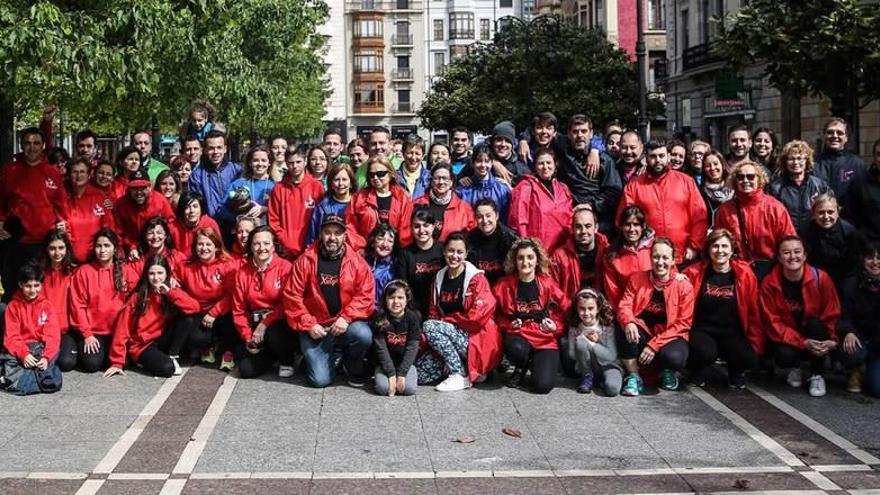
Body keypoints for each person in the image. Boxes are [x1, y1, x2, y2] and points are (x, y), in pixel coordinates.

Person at [283, 215, 375, 387]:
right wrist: (309, 324)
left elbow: (366, 295)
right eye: (327, 232)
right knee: (320, 381)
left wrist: (346, 317)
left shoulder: (357, 262)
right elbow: (292, 297)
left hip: (343, 326)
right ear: (320, 234)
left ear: (345, 235)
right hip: (315, 328)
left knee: (363, 335)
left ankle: (348, 361)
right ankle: (315, 358)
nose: (332, 237)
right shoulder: (305, 260)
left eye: (337, 233)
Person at [416, 233, 500, 391]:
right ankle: (462, 366)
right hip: (447, 339)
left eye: (459, 252)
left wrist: (449, 320)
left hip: (474, 340)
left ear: (466, 253)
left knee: (430, 326)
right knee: (419, 375)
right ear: (444, 252)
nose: (454, 256)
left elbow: (476, 319)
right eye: (450, 251)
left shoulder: (477, 279)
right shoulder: (438, 279)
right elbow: (434, 314)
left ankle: (458, 374)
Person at [761, 236, 843, 397]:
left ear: (805, 255)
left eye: (797, 252)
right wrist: (802, 342)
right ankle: (795, 367)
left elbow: (832, 312)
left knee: (816, 325)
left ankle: (816, 374)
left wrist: (832, 340)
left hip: (815, 332)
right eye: (786, 252)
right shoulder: (769, 283)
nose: (792, 257)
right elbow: (772, 322)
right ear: (778, 257)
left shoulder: (821, 278)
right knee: (784, 356)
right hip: (789, 337)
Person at [683, 229, 763, 388]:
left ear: (732, 250)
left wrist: (756, 342)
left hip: (733, 331)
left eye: (725, 246)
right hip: (702, 330)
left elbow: (753, 309)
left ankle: (735, 371)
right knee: (704, 352)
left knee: (748, 357)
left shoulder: (744, 273)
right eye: (715, 246)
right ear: (708, 249)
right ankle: (698, 370)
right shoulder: (694, 272)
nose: (720, 251)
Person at [617, 239, 694, 396]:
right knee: (625, 330)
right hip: (644, 330)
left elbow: (683, 324)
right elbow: (624, 305)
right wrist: (629, 321)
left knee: (673, 357)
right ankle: (633, 375)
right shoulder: (637, 278)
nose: (660, 262)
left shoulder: (684, 286)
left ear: (673, 260)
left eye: (665, 257)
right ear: (650, 258)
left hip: (670, 335)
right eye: (656, 257)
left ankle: (668, 371)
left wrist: (654, 345)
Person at [104, 255, 201, 377]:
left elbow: (195, 307)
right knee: (167, 369)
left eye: (160, 273)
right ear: (146, 275)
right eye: (152, 274)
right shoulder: (137, 297)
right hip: (141, 346)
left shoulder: (170, 291)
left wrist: (170, 293)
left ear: (167, 274)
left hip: (161, 339)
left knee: (188, 318)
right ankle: (141, 362)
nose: (156, 278)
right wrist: (117, 363)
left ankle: (172, 355)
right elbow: (123, 330)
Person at [0, 127, 69, 301]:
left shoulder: (52, 172)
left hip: (42, 243)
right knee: (12, 289)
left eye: (36, 143)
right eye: (28, 143)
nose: (32, 147)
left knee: (40, 291)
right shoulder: (10, 170)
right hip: (15, 241)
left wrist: (62, 222)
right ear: (21, 145)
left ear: (43, 145)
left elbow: (60, 203)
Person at [494, 238, 568, 394]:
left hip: (545, 339)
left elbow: (566, 308)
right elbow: (495, 316)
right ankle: (522, 365)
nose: (525, 262)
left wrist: (556, 326)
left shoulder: (547, 284)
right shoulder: (503, 286)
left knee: (542, 386)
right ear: (515, 260)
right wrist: (508, 325)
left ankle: (536, 365)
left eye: (530, 257)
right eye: (520, 257)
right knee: (514, 347)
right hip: (519, 337)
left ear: (537, 260)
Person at [617, 140, 708, 264]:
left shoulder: (686, 182)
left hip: (683, 254)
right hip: (649, 257)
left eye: (661, 156)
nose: (658, 160)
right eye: (653, 156)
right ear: (646, 158)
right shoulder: (634, 186)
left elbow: (699, 216)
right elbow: (624, 220)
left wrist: (694, 246)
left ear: (668, 156)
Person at [231, 226, 298, 379]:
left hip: (279, 323)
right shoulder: (242, 272)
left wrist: (265, 323)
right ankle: (269, 355)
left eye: (266, 243)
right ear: (251, 246)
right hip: (254, 326)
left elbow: (288, 303)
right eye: (256, 244)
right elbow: (238, 310)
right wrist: (247, 337)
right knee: (246, 370)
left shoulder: (286, 268)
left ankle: (286, 359)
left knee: (275, 335)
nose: (262, 248)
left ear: (274, 245)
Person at [714, 161, 796, 279]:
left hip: (771, 272)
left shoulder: (775, 208)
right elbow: (718, 242)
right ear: (735, 181)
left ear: (759, 179)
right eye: (740, 177)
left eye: (751, 176)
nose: (746, 180)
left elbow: (789, 242)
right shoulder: (725, 210)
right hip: (736, 273)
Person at [68, 229, 136, 372]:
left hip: (118, 332)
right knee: (92, 365)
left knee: (128, 363)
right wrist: (87, 335)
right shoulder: (84, 271)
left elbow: (136, 301)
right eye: (99, 246)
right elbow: (77, 306)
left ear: (115, 248)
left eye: (107, 246)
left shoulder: (126, 271)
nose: (102, 250)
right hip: (93, 332)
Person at [176, 228, 237, 371]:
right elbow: (176, 282)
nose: (204, 248)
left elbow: (232, 294)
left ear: (216, 247)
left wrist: (214, 313)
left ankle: (228, 351)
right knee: (196, 338)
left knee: (232, 322)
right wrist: (173, 281)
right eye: (200, 244)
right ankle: (208, 346)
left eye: (208, 244)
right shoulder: (186, 266)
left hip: (222, 311)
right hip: (198, 312)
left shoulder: (227, 265)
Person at [1, 263, 62, 395]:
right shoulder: (13, 306)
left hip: (40, 348)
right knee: (14, 367)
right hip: (20, 348)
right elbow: (11, 337)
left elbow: (53, 336)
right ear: (20, 285)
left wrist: (46, 357)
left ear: (41, 285)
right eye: (28, 286)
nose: (33, 290)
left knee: (48, 373)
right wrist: (24, 354)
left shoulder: (47, 306)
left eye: (36, 285)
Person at [803, 193, 862, 322]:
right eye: (821, 212)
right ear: (813, 214)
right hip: (818, 276)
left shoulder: (849, 231)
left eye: (830, 212)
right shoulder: (808, 230)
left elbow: (854, 261)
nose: (826, 217)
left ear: (837, 212)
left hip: (845, 275)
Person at [509, 148, 573, 253]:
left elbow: (570, 218)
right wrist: (526, 246)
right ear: (535, 166)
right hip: (538, 250)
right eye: (540, 163)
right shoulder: (526, 187)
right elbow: (519, 220)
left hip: (562, 249)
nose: (545, 167)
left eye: (548, 163)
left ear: (555, 165)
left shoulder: (563, 188)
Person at [268, 147, 325, 260]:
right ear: (286, 163)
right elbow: (273, 219)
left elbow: (321, 218)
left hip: (311, 249)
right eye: (290, 163)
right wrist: (284, 240)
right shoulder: (278, 189)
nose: (295, 166)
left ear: (305, 161)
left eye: (298, 162)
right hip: (286, 251)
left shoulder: (316, 187)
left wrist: (314, 243)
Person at [347, 157, 413, 248]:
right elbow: (350, 226)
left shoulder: (402, 198)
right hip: (366, 252)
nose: (375, 178)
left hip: (394, 252)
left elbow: (406, 229)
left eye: (380, 174)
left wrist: (402, 251)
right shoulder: (359, 197)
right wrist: (360, 248)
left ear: (390, 174)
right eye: (371, 174)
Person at [767, 140, 830, 234]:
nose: (795, 162)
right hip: (787, 237)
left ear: (807, 161)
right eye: (791, 159)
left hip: (815, 236)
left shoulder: (819, 185)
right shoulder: (776, 187)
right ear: (785, 162)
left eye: (800, 158)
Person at [566, 288, 621, 396]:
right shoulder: (575, 328)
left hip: (609, 365)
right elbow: (572, 354)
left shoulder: (607, 327)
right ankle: (587, 377)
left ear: (598, 308)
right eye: (582, 308)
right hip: (587, 366)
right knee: (581, 342)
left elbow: (611, 356)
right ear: (576, 309)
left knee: (612, 389)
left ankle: (600, 381)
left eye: (591, 308)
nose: (586, 313)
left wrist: (593, 343)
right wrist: (583, 341)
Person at [371, 279, 421, 396]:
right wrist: (391, 374)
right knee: (383, 389)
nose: (396, 301)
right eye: (391, 297)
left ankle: (406, 374)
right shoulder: (380, 319)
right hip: (385, 363)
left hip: (404, 362)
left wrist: (402, 374)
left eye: (400, 297)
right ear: (385, 300)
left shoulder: (413, 318)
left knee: (409, 389)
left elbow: (412, 348)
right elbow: (381, 349)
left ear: (407, 299)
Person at [113, 167, 174, 258]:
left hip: (158, 247)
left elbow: (171, 224)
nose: (139, 192)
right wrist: (131, 247)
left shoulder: (160, 201)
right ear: (129, 189)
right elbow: (118, 231)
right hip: (132, 250)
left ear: (149, 187)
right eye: (134, 188)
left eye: (142, 188)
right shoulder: (121, 204)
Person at [394, 209, 444, 318]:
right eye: (417, 226)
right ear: (411, 228)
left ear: (433, 226)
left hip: (441, 305)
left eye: (426, 225)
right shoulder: (405, 254)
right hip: (414, 307)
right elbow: (402, 286)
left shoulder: (443, 250)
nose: (421, 230)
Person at [39, 231, 77, 372]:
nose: (57, 253)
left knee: (66, 362)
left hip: (65, 330)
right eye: (52, 248)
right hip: (42, 329)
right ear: (46, 249)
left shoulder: (74, 271)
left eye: (61, 248)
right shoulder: (39, 273)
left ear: (67, 249)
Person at [65, 157, 115, 263]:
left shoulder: (100, 197)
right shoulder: (63, 197)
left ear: (89, 175)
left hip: (94, 258)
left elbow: (108, 229)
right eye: (75, 172)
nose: (79, 175)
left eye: (82, 171)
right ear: (69, 175)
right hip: (68, 258)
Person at [604, 205, 655, 307]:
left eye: (636, 224)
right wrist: (626, 317)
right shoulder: (611, 255)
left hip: (656, 306)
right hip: (628, 309)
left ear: (643, 226)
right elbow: (613, 291)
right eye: (627, 224)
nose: (632, 229)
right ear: (621, 227)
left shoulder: (656, 247)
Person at [551, 205, 608, 296]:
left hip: (601, 305)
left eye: (588, 226)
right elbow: (554, 289)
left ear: (596, 227)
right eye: (578, 227)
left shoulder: (607, 252)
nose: (583, 231)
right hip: (571, 307)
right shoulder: (559, 256)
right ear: (572, 229)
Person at [846, 242, 880, 397]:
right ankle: (855, 369)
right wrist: (848, 331)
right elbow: (841, 313)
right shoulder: (851, 283)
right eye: (870, 258)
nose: (875, 262)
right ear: (862, 260)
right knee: (851, 352)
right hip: (857, 337)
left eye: (879, 258)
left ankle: (869, 373)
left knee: (877, 389)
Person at [813, 118, 866, 216]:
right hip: (819, 221)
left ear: (846, 138)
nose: (835, 136)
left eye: (839, 133)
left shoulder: (857, 164)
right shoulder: (813, 163)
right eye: (830, 132)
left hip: (850, 223)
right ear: (824, 136)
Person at [219, 144, 276, 232]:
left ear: (269, 163)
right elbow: (222, 209)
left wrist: (265, 209)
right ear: (250, 163)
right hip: (243, 234)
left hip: (266, 235)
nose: (260, 164)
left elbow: (282, 212)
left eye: (263, 160)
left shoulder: (275, 186)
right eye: (256, 160)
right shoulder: (239, 183)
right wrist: (239, 218)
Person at [413, 162, 475, 242]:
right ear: (431, 181)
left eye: (445, 178)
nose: (441, 182)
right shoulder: (417, 204)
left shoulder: (464, 209)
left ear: (451, 181)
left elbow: (472, 238)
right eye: (437, 178)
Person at [188, 130, 242, 218]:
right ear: (205, 150)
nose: (215, 152)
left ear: (225, 149)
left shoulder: (236, 170)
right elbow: (195, 203)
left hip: (235, 222)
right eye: (211, 148)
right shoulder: (197, 175)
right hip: (211, 224)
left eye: (219, 147)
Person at [466, 199, 518, 285]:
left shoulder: (510, 239)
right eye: (480, 217)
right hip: (479, 287)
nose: (485, 221)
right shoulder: (469, 239)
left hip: (504, 288)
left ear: (496, 215)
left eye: (488, 216)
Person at [455, 146, 512, 222]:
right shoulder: (462, 190)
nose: (483, 165)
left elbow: (506, 216)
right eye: (479, 161)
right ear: (472, 163)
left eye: (487, 161)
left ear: (492, 163)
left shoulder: (502, 189)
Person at [306, 163, 358, 247]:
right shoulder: (323, 207)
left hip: (355, 252)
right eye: (336, 180)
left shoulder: (359, 203)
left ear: (351, 183)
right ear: (331, 184)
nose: (340, 183)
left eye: (344, 179)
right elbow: (313, 236)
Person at [169, 192, 221, 261]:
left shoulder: (210, 224)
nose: (192, 211)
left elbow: (218, 249)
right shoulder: (173, 226)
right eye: (187, 207)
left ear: (201, 209)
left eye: (195, 206)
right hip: (181, 265)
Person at [847, 138, 880, 242]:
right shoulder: (859, 184)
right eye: (879, 154)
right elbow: (851, 217)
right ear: (874, 157)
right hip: (870, 248)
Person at [364, 224, 397, 311]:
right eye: (380, 239)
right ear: (372, 242)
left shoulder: (395, 266)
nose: (385, 244)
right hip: (363, 310)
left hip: (386, 312)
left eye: (390, 241)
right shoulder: (361, 262)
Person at [699, 149, 734, 228]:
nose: (712, 168)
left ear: (722, 165)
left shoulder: (734, 189)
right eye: (708, 165)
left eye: (715, 164)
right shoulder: (701, 193)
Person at [396, 136, 431, 200]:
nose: (413, 158)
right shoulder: (394, 177)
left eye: (417, 154)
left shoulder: (429, 177)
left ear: (423, 156)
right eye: (409, 153)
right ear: (403, 154)